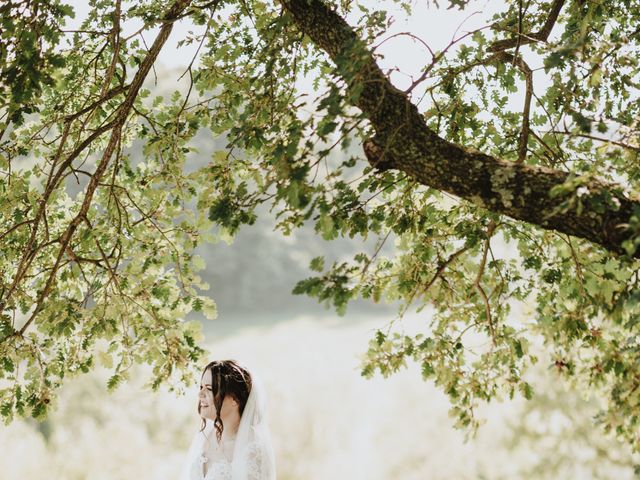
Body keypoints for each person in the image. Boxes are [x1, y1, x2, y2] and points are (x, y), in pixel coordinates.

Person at [179, 360, 276, 480]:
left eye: (209, 389)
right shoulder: (206, 436)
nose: (200, 394)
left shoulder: (253, 451)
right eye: (201, 387)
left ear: (235, 399)